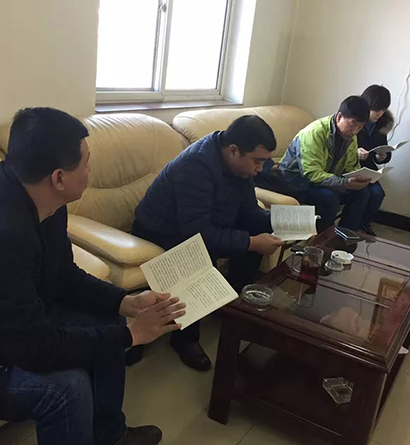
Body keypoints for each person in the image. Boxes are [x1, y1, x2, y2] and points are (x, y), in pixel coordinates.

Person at [0, 107, 187, 445]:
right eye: (86, 163)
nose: (90, 170)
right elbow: (35, 349)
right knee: (65, 388)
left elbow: (62, 276)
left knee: (107, 319)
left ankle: (107, 437)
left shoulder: (39, 198)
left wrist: (124, 302)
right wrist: (132, 335)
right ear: (58, 177)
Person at [131, 115, 284, 371]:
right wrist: (251, 243)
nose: (260, 169)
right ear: (233, 151)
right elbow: (198, 233)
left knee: (254, 232)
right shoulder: (196, 166)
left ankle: (232, 306)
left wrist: (283, 220)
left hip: (200, 223)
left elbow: (249, 211)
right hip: (161, 228)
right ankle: (185, 339)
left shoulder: (240, 166)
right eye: (257, 161)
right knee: (202, 253)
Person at [255, 96, 372, 233]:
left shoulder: (351, 139)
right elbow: (311, 173)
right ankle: (322, 240)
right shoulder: (314, 133)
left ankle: (344, 237)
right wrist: (344, 183)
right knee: (329, 197)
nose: (355, 131)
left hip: (323, 181)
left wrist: (358, 178)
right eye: (352, 124)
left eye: (360, 127)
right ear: (339, 117)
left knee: (362, 193)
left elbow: (351, 166)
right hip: (295, 182)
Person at [356, 85, 394, 236]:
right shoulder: (353, 118)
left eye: (383, 110)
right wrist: (355, 152)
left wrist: (382, 156)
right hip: (348, 167)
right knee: (363, 193)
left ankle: (363, 224)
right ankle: (352, 226)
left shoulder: (380, 125)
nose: (380, 114)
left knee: (378, 194)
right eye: (377, 110)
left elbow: (382, 150)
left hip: (367, 169)